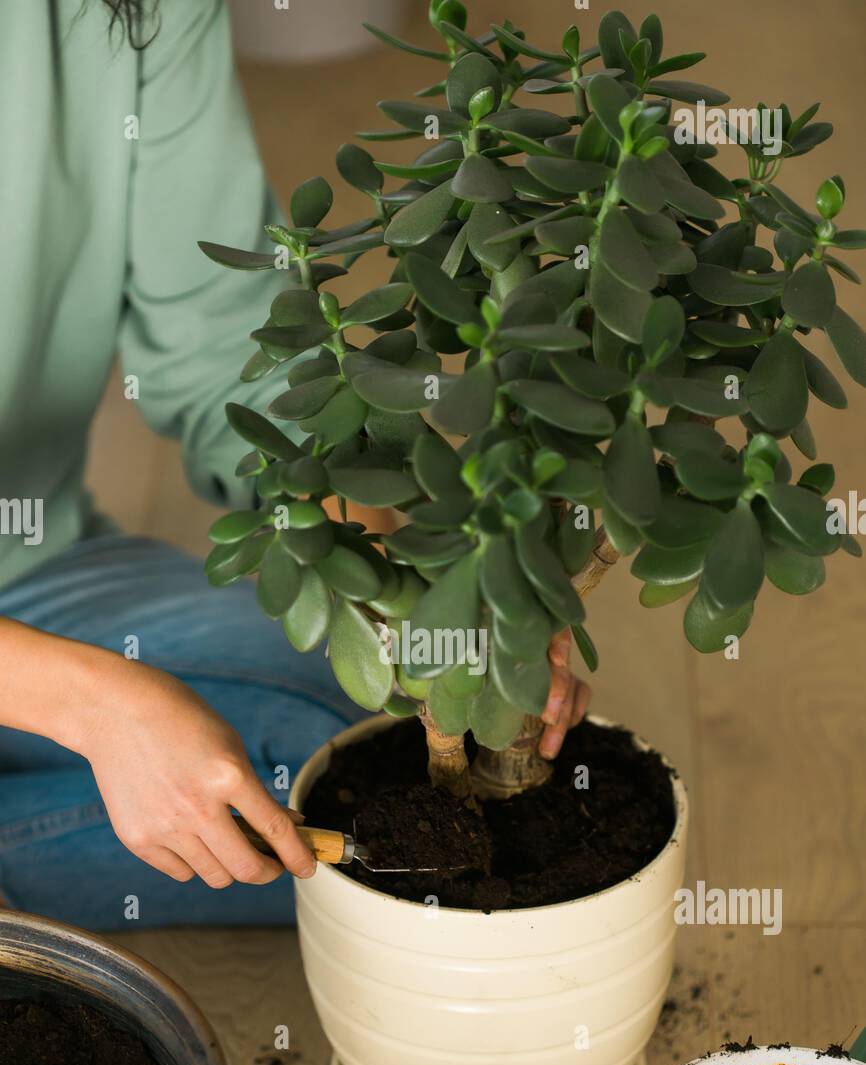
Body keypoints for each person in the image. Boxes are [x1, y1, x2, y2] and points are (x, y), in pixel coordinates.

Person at [0, 0, 589, 931]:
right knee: (245, 776)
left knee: (337, 745)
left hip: (26, 570)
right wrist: (92, 705)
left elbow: (222, 342)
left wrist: (417, 584)